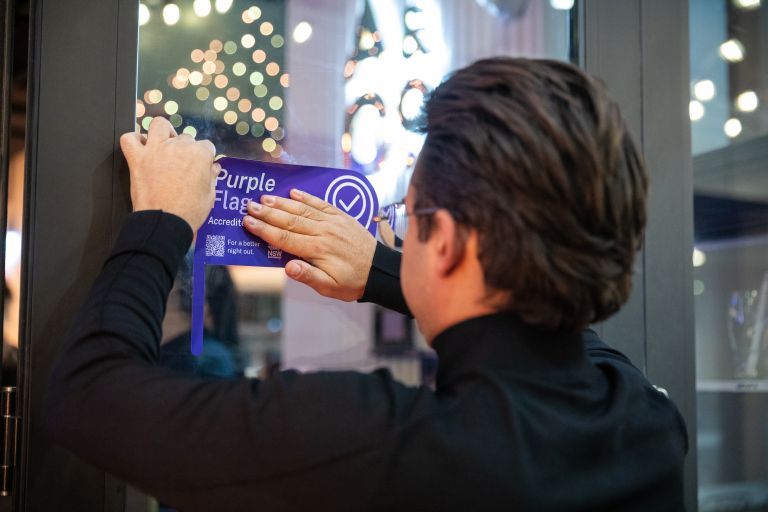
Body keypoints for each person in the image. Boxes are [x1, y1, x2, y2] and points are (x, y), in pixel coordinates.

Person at [45, 58, 687, 511]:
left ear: (448, 243)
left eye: (410, 218)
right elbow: (566, 338)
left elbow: (89, 396)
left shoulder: (378, 442)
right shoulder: (645, 420)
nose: (401, 236)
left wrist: (162, 221)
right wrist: (383, 268)